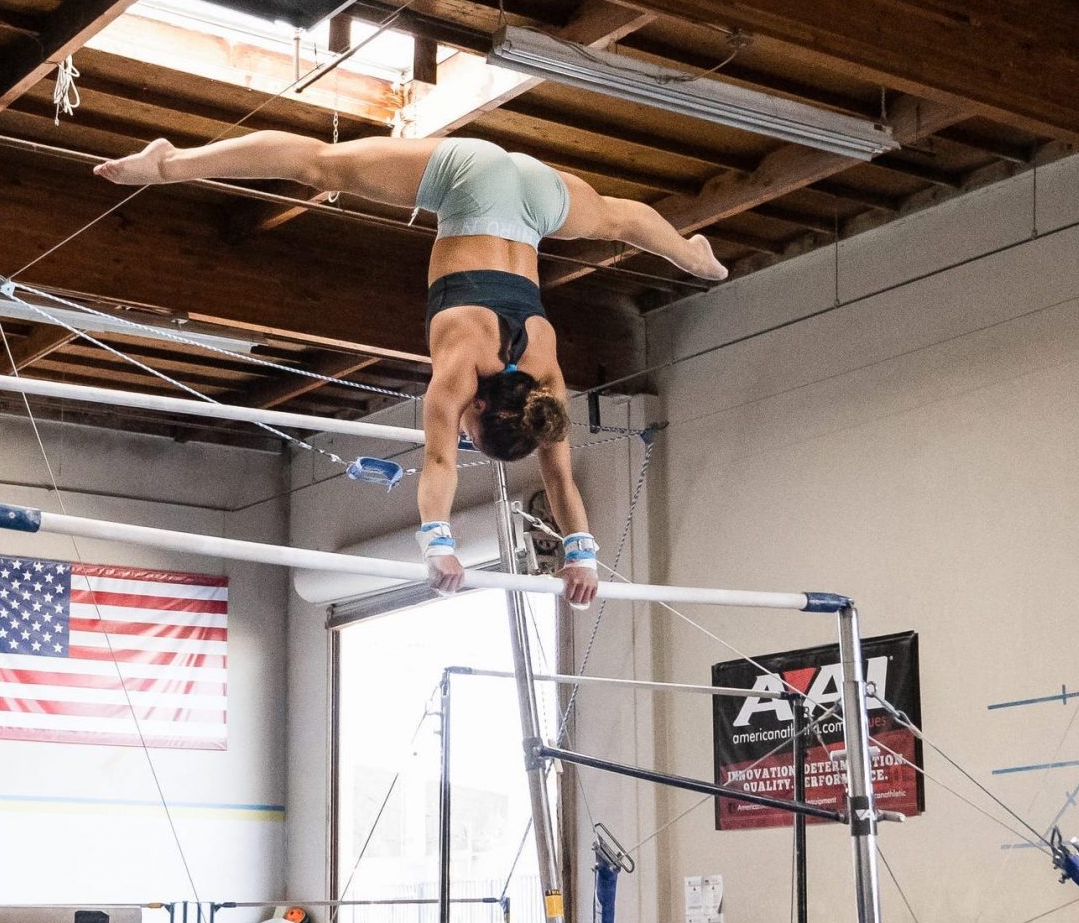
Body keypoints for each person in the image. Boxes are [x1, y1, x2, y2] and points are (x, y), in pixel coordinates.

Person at [94, 132, 725, 603]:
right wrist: (439, 544)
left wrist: (583, 556)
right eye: (472, 435)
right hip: (469, 183)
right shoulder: (459, 371)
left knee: (617, 218)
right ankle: (168, 164)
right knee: (317, 163)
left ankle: (690, 256)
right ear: (476, 410)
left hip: (534, 198)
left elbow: (560, 480)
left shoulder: (547, 374)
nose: (461, 438)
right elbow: (441, 465)